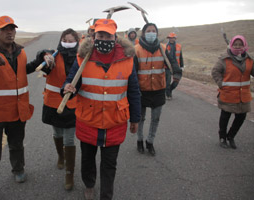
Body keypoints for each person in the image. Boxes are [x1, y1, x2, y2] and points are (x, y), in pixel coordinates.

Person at [0, 15, 54, 200]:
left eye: (12, 29)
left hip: (17, 110)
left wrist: (44, 53)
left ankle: (18, 169)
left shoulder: (20, 52)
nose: (10, 33)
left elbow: (27, 69)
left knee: (17, 144)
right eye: (5, 29)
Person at [62, 18, 141, 200]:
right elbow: (71, 80)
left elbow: (134, 91)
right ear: (94, 36)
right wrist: (67, 88)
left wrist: (135, 118)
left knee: (109, 163)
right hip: (88, 120)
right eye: (100, 35)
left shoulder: (127, 60)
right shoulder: (82, 58)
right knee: (88, 160)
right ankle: (89, 185)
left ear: (115, 38)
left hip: (115, 122)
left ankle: (106, 195)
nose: (104, 39)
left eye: (108, 35)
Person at [41, 28, 79, 190]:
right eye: (66, 40)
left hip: (72, 104)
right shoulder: (53, 56)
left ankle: (69, 174)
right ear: (61, 40)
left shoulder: (81, 58)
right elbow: (42, 63)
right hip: (53, 103)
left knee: (69, 139)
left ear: (77, 42)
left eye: (71, 41)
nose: (68, 43)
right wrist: (44, 57)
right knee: (57, 134)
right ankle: (60, 157)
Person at [134, 23, 180, 156]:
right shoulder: (136, 50)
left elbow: (173, 63)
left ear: (157, 33)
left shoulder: (163, 48)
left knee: (156, 119)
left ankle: (150, 142)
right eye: (148, 31)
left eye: (154, 31)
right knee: (140, 118)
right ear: (143, 33)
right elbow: (133, 72)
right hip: (141, 90)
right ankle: (139, 140)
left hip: (159, 88)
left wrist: (177, 74)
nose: (151, 33)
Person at [211, 35, 254, 149]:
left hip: (243, 96)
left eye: (240, 45)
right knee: (225, 116)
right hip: (228, 94)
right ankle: (222, 137)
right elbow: (215, 71)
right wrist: (221, 84)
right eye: (235, 44)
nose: (238, 47)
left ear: (244, 45)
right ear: (231, 45)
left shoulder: (249, 59)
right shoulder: (225, 59)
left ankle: (231, 136)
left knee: (241, 117)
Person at [165, 32, 184, 100]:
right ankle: (168, 95)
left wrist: (182, 66)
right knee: (167, 82)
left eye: (173, 38)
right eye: (170, 38)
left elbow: (181, 57)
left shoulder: (179, 46)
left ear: (175, 38)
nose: (171, 39)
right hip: (167, 67)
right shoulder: (165, 46)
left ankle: (169, 90)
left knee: (176, 82)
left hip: (176, 67)